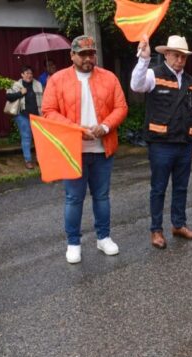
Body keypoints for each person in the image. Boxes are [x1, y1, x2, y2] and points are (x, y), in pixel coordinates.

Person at [42, 35, 128, 264]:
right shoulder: (57, 80)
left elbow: (121, 107)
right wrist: (77, 129)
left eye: (91, 53)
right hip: (73, 149)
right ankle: (73, 242)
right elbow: (48, 110)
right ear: (72, 56)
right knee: (73, 198)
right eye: (83, 54)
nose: (88, 58)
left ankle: (103, 237)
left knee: (101, 196)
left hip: (102, 148)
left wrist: (105, 126)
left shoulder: (109, 78)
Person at [132, 35, 192, 249]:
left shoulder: (190, 81)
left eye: (183, 56)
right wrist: (143, 60)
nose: (180, 60)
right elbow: (136, 85)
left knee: (181, 187)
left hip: (183, 142)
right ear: (166, 54)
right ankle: (156, 230)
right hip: (161, 144)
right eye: (176, 55)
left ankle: (178, 225)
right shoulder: (153, 74)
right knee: (159, 188)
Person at [6, 65, 43, 169]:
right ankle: (28, 160)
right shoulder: (16, 85)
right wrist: (20, 93)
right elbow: (8, 96)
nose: (29, 75)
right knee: (26, 138)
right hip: (23, 116)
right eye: (27, 73)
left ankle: (40, 159)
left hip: (37, 116)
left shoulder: (38, 84)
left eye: (31, 73)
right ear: (22, 75)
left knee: (39, 139)